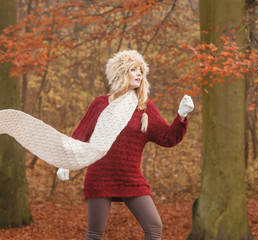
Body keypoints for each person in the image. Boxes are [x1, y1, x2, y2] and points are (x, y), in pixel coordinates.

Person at [56, 50, 194, 240]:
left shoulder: (145, 107)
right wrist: (65, 162)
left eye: (141, 71)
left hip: (130, 177)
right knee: (95, 234)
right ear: (120, 73)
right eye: (133, 69)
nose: (139, 74)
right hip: (100, 176)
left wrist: (181, 116)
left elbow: (168, 138)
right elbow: (79, 136)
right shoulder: (100, 104)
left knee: (154, 227)